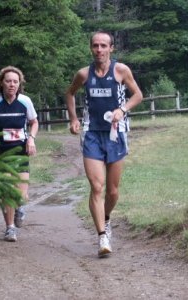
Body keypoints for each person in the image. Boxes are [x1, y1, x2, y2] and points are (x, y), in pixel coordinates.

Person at [65, 30, 143, 257]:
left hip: (116, 134)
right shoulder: (83, 74)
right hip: (91, 134)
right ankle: (102, 237)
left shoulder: (121, 70)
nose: (99, 50)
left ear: (111, 48)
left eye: (103, 46)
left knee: (113, 191)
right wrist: (73, 118)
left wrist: (122, 109)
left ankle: (106, 218)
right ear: (91, 48)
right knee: (96, 187)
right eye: (95, 46)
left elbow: (137, 95)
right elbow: (69, 94)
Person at [0, 66, 39, 242]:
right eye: (8, 81)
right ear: (1, 83)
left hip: (20, 150)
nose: (12, 84)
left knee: (21, 195)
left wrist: (31, 139)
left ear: (19, 84)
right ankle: (10, 228)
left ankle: (19, 206)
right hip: (0, 151)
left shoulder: (25, 102)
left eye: (15, 81)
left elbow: (34, 122)